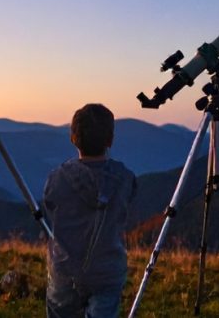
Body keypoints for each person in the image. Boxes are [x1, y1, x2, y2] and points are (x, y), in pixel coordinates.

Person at [42, 103, 137, 318]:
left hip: (65, 270)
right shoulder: (125, 178)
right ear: (110, 140)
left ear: (73, 138)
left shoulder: (57, 178)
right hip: (107, 271)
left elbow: (50, 207)